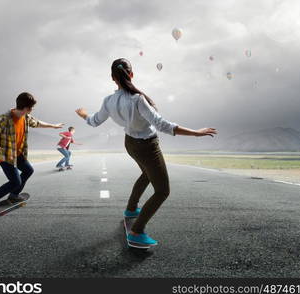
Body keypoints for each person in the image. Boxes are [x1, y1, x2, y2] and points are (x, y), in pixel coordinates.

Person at [75, 58, 217, 246]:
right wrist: (196, 134)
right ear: (132, 75)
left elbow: (94, 121)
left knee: (147, 174)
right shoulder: (137, 99)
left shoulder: (108, 101)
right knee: (162, 191)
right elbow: (162, 124)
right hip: (147, 146)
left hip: (130, 144)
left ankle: (131, 209)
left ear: (112, 78)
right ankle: (136, 231)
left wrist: (84, 114)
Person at [0, 92, 64, 211]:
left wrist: (53, 126)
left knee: (28, 170)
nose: (32, 110)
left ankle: (14, 195)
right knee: (15, 181)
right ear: (27, 108)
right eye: (31, 107)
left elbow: (37, 123)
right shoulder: (4, 119)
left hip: (18, 153)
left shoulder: (25, 117)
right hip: (5, 155)